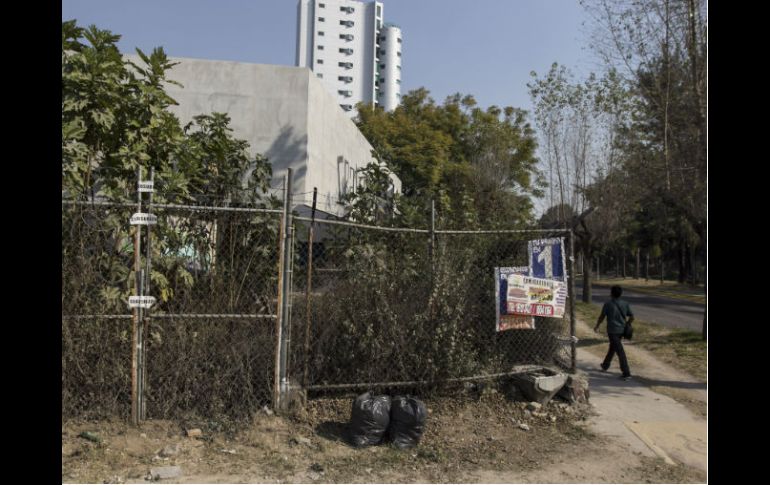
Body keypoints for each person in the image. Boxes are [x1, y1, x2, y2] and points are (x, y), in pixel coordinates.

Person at [594, 285, 634, 380]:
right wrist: (627, 324)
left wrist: (597, 326)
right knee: (613, 347)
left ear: (611, 293)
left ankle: (626, 373)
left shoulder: (608, 304)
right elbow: (632, 317)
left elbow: (602, 316)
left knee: (620, 351)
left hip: (612, 330)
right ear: (621, 294)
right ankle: (605, 365)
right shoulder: (625, 303)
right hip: (622, 330)